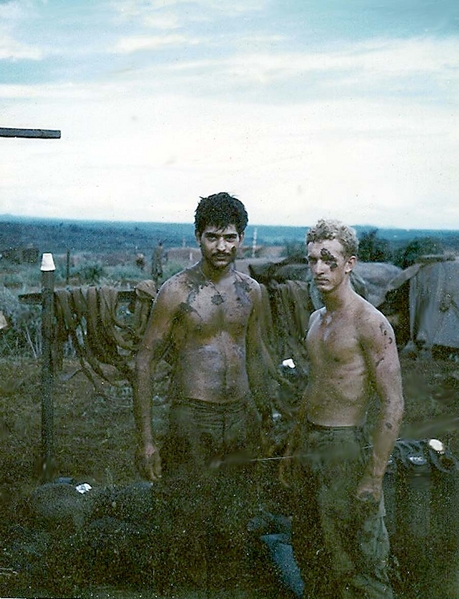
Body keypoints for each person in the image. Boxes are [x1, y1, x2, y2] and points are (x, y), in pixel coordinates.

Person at [133, 192, 273, 591]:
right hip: (192, 418)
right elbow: (144, 361)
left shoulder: (252, 292)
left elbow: (257, 355)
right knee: (185, 528)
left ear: (242, 238)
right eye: (213, 237)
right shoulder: (176, 292)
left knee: (234, 522)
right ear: (198, 237)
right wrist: (146, 440)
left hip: (241, 417)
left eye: (230, 237)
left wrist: (266, 417)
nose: (222, 247)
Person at [281, 219, 404, 599]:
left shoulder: (370, 322)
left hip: (346, 448)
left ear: (349, 263)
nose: (319, 269)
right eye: (313, 260)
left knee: (360, 562)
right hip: (311, 446)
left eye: (328, 260)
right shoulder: (317, 321)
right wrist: (291, 451)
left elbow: (393, 404)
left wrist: (373, 476)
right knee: (312, 549)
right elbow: (314, 388)